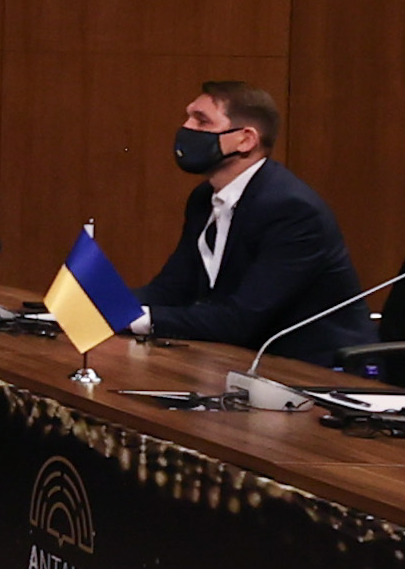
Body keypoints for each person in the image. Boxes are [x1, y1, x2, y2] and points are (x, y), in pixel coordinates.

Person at [128, 82, 374, 363]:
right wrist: (101, 307)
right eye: (188, 117)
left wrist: (133, 318)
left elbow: (240, 319)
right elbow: (172, 288)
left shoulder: (293, 211)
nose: (187, 128)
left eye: (202, 120)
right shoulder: (204, 198)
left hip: (316, 373)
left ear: (245, 140)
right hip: (241, 364)